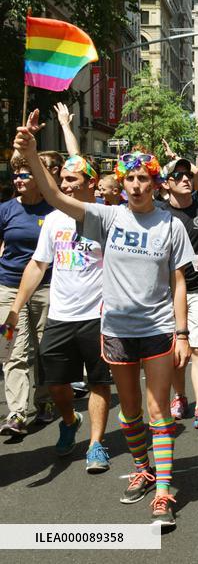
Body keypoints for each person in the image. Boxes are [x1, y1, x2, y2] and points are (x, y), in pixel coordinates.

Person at [15, 114, 194, 529]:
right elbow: (57, 198)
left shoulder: (171, 224)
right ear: (123, 183)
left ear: (155, 183)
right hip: (116, 331)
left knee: (158, 410)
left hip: (157, 329)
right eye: (130, 178)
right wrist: (32, 156)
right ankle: (143, 469)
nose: (136, 185)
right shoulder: (108, 218)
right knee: (129, 412)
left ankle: (163, 492)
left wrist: (182, 332)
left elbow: (179, 282)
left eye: (143, 178)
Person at [2, 153, 112, 471]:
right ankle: (70, 419)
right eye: (62, 179)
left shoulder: (107, 217)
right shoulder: (53, 220)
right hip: (61, 315)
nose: (64, 185)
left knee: (98, 382)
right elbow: (38, 265)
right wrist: (15, 307)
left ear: (91, 183)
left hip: (98, 315)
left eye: (72, 179)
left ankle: (95, 445)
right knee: (55, 384)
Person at [0, 149, 60, 435]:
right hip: (8, 289)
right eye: (15, 175)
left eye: (25, 174)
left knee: (45, 349)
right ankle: (17, 413)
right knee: (14, 350)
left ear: (38, 177)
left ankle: (45, 400)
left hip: (46, 288)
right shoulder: (5, 209)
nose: (18, 179)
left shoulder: (54, 211)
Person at [159, 158, 198, 431]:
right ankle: (180, 397)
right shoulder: (158, 213)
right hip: (164, 293)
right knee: (175, 350)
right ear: (166, 183)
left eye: (188, 175)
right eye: (178, 175)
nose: (186, 179)